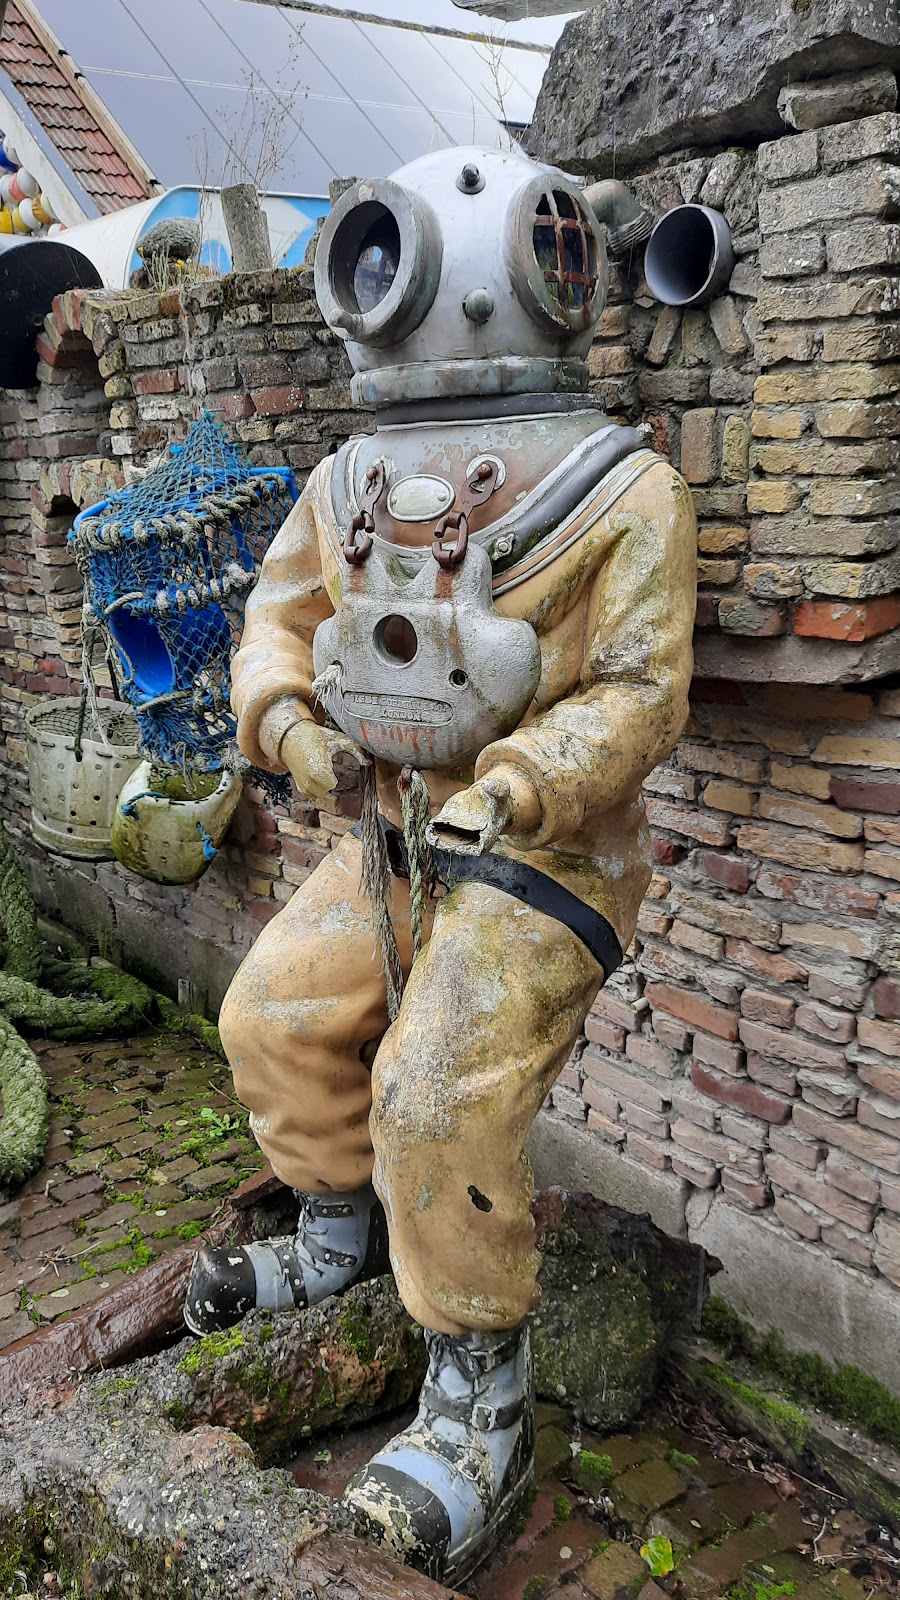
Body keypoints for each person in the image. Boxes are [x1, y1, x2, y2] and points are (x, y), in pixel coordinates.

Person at [185, 144, 696, 1587]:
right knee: (272, 1012)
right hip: (395, 829)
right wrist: (289, 725)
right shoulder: (348, 476)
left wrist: (528, 781)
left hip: (547, 858)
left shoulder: (622, 488)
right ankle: (336, 1230)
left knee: (433, 1088)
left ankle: (481, 1391)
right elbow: (280, 618)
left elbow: (642, 690)